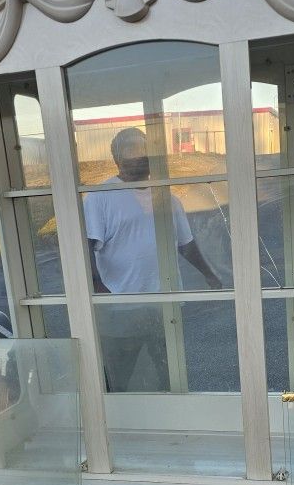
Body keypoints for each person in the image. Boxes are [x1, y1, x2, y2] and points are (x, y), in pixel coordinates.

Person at [84, 127, 221, 390]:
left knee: (170, 374)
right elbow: (85, 246)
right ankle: (119, 425)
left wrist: (209, 274)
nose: (139, 157)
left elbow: (186, 245)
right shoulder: (100, 198)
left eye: (144, 151)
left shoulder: (166, 197)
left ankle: (173, 423)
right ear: (117, 158)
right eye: (131, 151)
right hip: (122, 306)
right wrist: (97, 286)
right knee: (119, 377)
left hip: (165, 304)